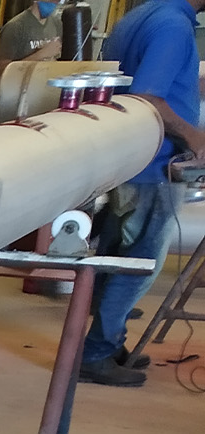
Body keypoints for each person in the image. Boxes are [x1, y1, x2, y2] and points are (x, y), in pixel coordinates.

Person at [79, 0, 205, 387]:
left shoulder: (139, 16)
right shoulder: (173, 26)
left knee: (116, 254)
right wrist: (195, 137)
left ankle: (107, 342)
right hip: (155, 164)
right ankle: (96, 353)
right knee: (139, 264)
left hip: (130, 158)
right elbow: (147, 96)